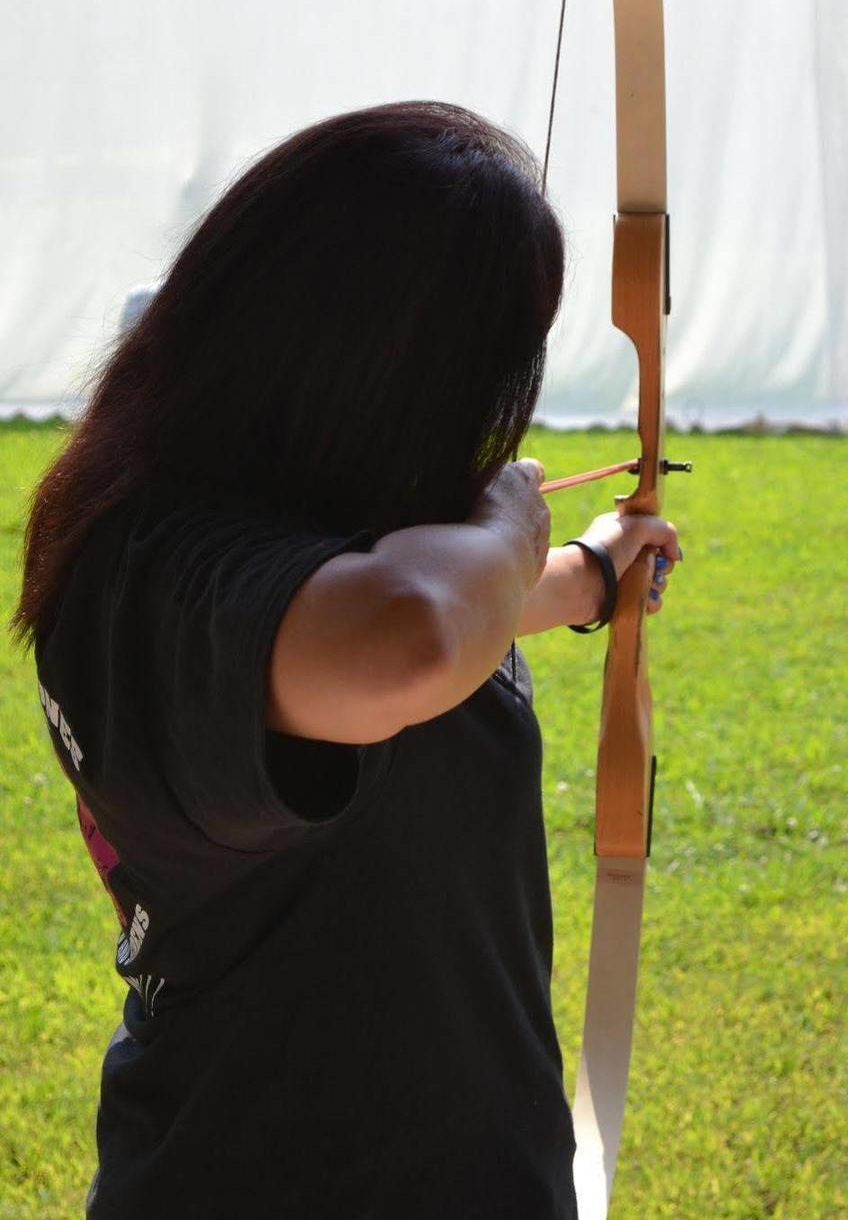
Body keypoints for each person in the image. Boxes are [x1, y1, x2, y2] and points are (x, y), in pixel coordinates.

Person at [14, 102, 680, 1220]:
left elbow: (440, 624)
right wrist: (506, 525)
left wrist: (587, 573)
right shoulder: (162, 577)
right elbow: (409, 644)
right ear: (386, 361)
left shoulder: (331, 538)